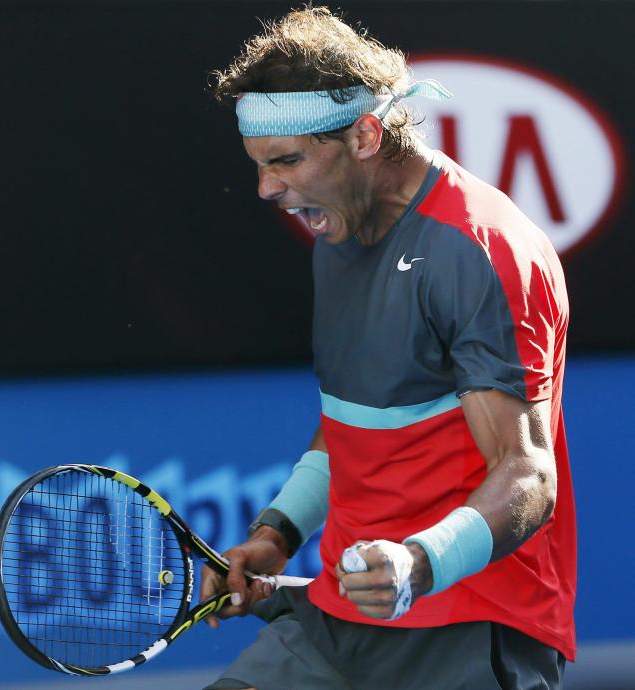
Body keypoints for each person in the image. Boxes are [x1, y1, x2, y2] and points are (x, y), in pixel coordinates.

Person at [200, 7, 575, 690]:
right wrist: (278, 534)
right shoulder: (337, 230)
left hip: (465, 620)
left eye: (286, 161)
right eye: (259, 166)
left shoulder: (478, 250)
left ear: (366, 134)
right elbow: (354, 418)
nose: (267, 188)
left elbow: (528, 475)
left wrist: (417, 564)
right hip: (338, 617)